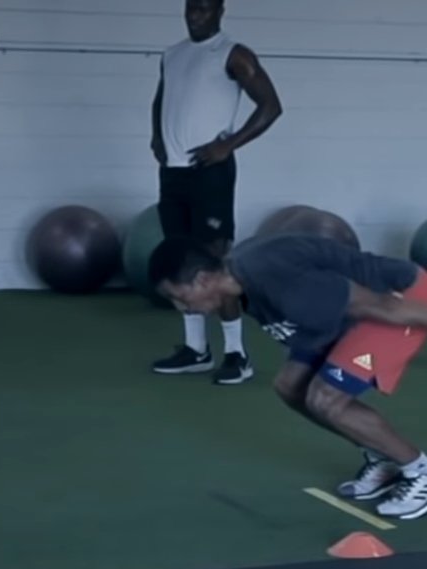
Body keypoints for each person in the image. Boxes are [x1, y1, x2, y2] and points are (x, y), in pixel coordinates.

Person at [150, 233, 427, 520]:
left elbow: (383, 307)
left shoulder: (282, 284)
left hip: (398, 299)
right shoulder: (241, 278)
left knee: (326, 398)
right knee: (290, 386)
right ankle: (382, 459)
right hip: (343, 314)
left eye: (178, 297)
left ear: (201, 279)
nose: (181, 307)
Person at [148, 0, 284, 387]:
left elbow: (271, 106)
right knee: (181, 263)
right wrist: (157, 137)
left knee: (214, 263)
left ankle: (237, 356)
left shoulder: (233, 54)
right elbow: (161, 98)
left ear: (220, 10)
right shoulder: (171, 55)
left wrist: (229, 145)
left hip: (210, 173)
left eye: (205, 8)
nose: (196, 14)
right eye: (191, 7)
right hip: (172, 173)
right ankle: (196, 350)